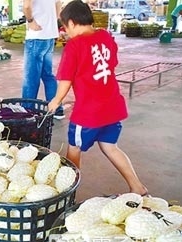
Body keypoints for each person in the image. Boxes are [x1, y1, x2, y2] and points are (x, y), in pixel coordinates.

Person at [47, 0, 147, 196]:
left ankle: (68, 193)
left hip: (89, 113)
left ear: (73, 23)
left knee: (74, 149)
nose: (66, 32)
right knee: (110, 146)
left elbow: (65, 81)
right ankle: (137, 186)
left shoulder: (74, 46)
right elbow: (111, 63)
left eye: (65, 27)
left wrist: (55, 102)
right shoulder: (106, 37)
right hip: (113, 106)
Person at [22, 0, 65, 120]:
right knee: (48, 75)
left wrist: (30, 21)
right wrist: (51, 22)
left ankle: (27, 111)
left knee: (31, 77)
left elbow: (26, 6)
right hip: (49, 35)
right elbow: (58, 4)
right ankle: (56, 109)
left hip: (36, 36)